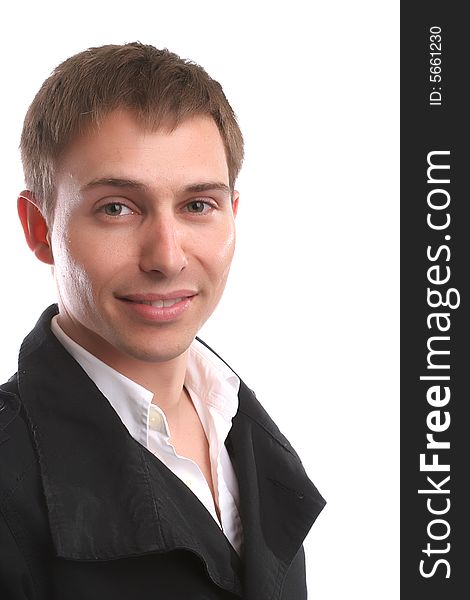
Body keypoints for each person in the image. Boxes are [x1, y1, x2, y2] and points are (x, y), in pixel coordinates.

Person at [0, 42, 325, 599]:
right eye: (117, 208)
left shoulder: (239, 427)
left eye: (198, 205)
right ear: (38, 228)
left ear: (232, 216)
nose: (167, 256)